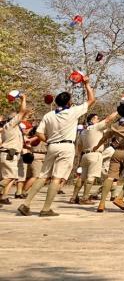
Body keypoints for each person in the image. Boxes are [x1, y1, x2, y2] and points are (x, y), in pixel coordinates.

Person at [18, 80, 96, 216]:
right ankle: (46, 208)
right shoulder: (73, 112)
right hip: (66, 146)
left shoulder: (49, 115)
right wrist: (86, 84)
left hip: (52, 146)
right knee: (56, 178)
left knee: (42, 176)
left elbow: (38, 133)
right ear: (68, 103)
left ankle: (26, 204)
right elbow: (91, 100)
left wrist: (49, 141)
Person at [70, 111, 115, 205]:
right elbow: (108, 119)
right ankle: (85, 198)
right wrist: (119, 109)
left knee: (82, 177)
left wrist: (80, 156)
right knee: (91, 177)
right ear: (93, 120)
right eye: (97, 118)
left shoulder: (83, 131)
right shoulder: (97, 127)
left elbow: (79, 147)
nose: (98, 120)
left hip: (85, 155)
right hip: (95, 154)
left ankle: (74, 197)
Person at [0, 94, 30, 204]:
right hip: (9, 154)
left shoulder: (8, 128)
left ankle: (2, 197)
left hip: (7, 154)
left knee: (7, 176)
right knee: (11, 176)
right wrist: (23, 99)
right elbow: (22, 111)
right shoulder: (11, 124)